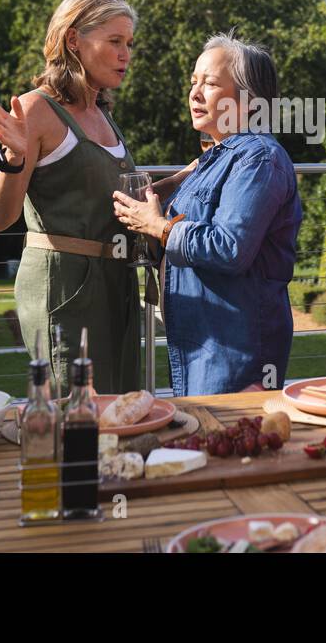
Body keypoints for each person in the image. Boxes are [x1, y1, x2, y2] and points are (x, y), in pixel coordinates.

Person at [0, 0, 191, 392]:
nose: (125, 54)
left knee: (120, 409)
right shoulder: (37, 109)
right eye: (114, 42)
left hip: (116, 281)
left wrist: (183, 178)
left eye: (129, 44)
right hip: (66, 286)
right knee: (78, 413)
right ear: (73, 40)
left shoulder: (103, 113)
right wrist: (13, 157)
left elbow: (114, 201)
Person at [112, 34, 302, 396]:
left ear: (249, 102)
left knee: (224, 447)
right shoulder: (216, 158)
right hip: (203, 345)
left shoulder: (259, 158)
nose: (195, 94)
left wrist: (159, 226)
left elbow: (230, 247)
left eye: (210, 84)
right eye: (193, 82)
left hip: (234, 351)